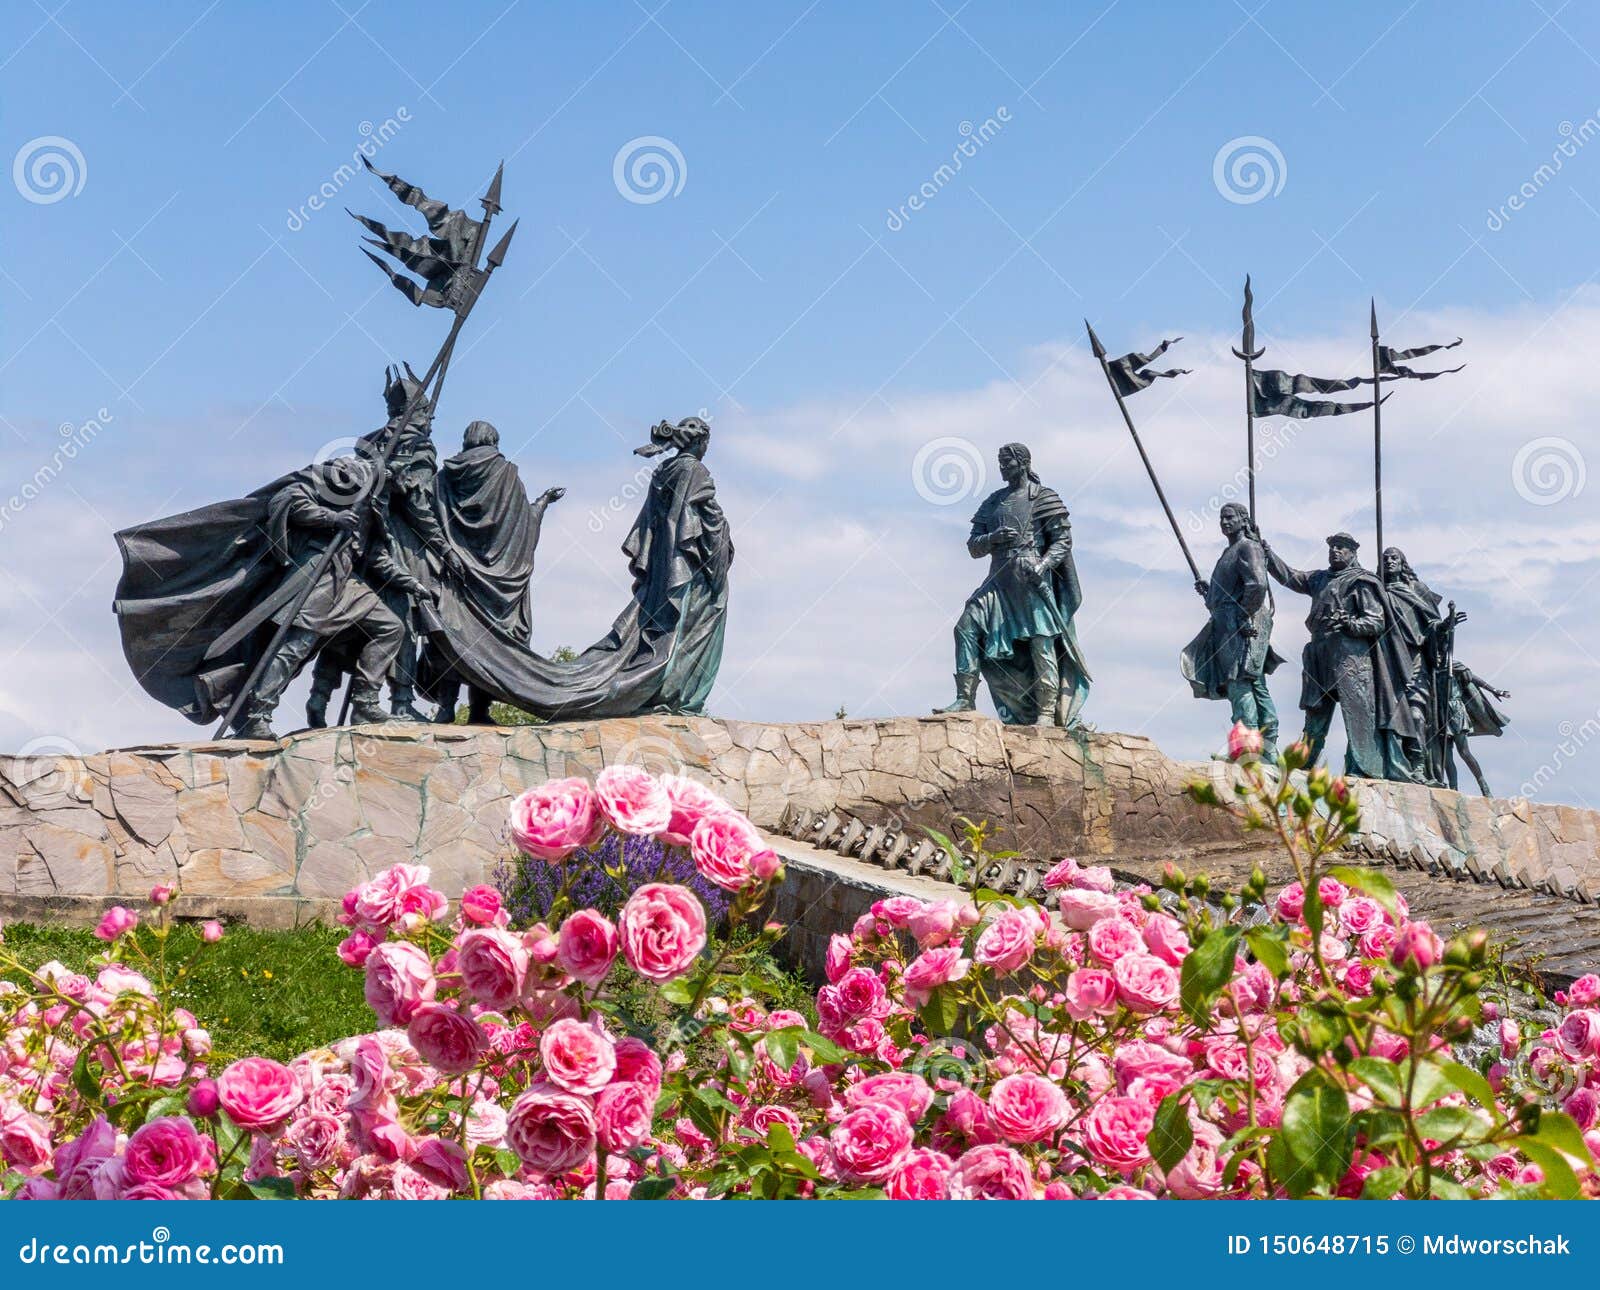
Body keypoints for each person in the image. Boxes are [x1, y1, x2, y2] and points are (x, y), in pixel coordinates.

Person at [231, 452, 431, 740]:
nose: (405, 491)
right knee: (295, 646)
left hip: (348, 580)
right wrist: (332, 517)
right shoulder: (348, 474)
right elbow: (290, 498)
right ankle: (257, 715)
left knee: (390, 627)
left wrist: (410, 583)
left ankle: (365, 703)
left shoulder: (376, 505)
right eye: (403, 483)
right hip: (320, 573)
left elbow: (374, 554)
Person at [934, 442, 1089, 727]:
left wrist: (1042, 566)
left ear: (1024, 463)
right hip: (998, 580)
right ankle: (965, 698)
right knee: (965, 627)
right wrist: (992, 539)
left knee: (1041, 644)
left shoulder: (1043, 497)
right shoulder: (994, 502)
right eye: (1001, 463)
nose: (1003, 468)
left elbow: (1063, 541)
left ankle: (1045, 712)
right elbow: (973, 547)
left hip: (1030, 581)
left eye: (1008, 463)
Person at [426, 420, 564, 724]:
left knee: (452, 636)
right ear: (494, 440)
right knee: (493, 643)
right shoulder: (507, 474)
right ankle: (479, 711)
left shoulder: (442, 478)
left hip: (456, 574)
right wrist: (542, 503)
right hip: (498, 581)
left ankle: (446, 707)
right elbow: (522, 525)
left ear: (467, 440)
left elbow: (428, 521)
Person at [1264, 532, 1420, 779]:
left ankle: (1363, 768)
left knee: (1357, 714)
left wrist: (1349, 623)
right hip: (1320, 654)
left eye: (1341, 547)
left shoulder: (1361, 581)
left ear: (1353, 552)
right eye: (1332, 546)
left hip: (1352, 657)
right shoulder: (1319, 579)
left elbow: (1376, 622)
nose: (1335, 550)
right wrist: (1267, 553)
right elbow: (1290, 577)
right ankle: (1304, 762)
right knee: (1315, 712)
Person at [1181, 502, 1282, 758]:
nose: (1224, 522)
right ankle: (1268, 754)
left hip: (1241, 624)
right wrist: (1212, 594)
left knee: (1239, 684)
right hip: (1230, 621)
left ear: (1243, 520)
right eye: (1221, 518)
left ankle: (1249, 751)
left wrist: (1240, 615)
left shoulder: (1247, 546)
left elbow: (1257, 585)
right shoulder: (1230, 551)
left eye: (1229, 518)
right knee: (1254, 686)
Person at [1443, 662, 1510, 795]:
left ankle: (1483, 785)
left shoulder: (1452, 665)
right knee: (1446, 755)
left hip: (1455, 711)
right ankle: (1453, 789)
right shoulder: (1430, 666)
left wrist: (1494, 690)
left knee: (1464, 752)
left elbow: (1472, 678)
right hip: (1440, 713)